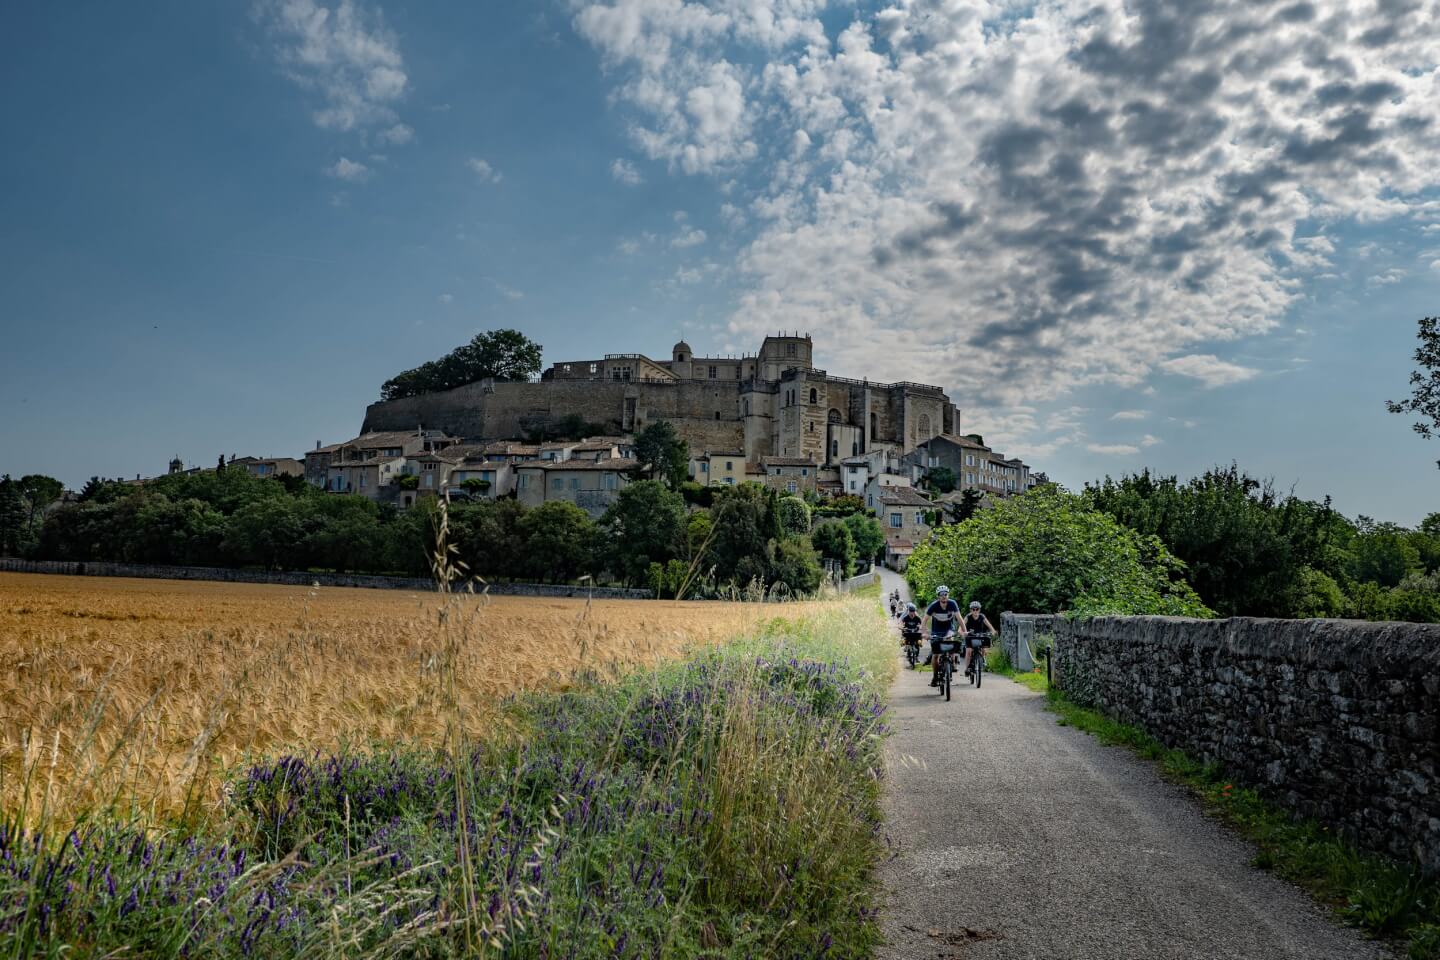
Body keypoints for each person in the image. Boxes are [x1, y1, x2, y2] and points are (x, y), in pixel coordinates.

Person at [924, 585, 962, 687]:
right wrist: (925, 633)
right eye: (941, 594)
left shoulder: (952, 603)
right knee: (935, 655)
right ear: (938, 596)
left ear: (948, 595)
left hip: (949, 629)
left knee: (951, 642)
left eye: (945, 594)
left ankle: (952, 664)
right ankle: (935, 676)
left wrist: (965, 631)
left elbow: (959, 618)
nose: (944, 596)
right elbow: (924, 620)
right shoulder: (934, 606)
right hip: (936, 631)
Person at [963, 599, 996, 676]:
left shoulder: (982, 616)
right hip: (970, 636)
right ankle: (967, 668)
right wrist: (963, 633)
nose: (975, 611)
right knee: (968, 651)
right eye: (973, 609)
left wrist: (993, 631)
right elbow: (961, 628)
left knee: (984, 648)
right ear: (971, 610)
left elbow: (989, 625)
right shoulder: (968, 617)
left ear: (979, 610)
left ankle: (983, 661)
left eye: (977, 609)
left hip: (980, 635)